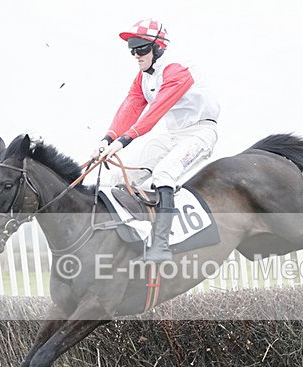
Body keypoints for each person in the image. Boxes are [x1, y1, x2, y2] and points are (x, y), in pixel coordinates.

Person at [90, 19, 221, 262]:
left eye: (141, 49)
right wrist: (107, 139)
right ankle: (130, 239)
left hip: (200, 132)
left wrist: (122, 142)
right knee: (117, 178)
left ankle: (161, 246)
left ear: (158, 48)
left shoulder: (176, 70)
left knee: (163, 174)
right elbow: (130, 107)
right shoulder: (142, 77)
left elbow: (155, 112)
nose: (136, 55)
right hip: (172, 134)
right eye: (132, 49)